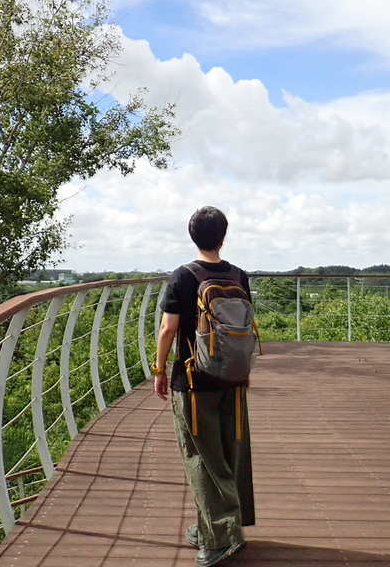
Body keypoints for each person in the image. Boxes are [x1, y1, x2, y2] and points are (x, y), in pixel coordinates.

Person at [154, 206, 255, 567]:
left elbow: (168, 328)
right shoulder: (238, 275)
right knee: (230, 452)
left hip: (194, 382)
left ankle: (221, 538)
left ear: (192, 237)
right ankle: (217, 526)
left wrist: (159, 369)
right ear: (223, 237)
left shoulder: (183, 276)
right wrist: (243, 368)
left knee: (202, 458)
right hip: (233, 378)